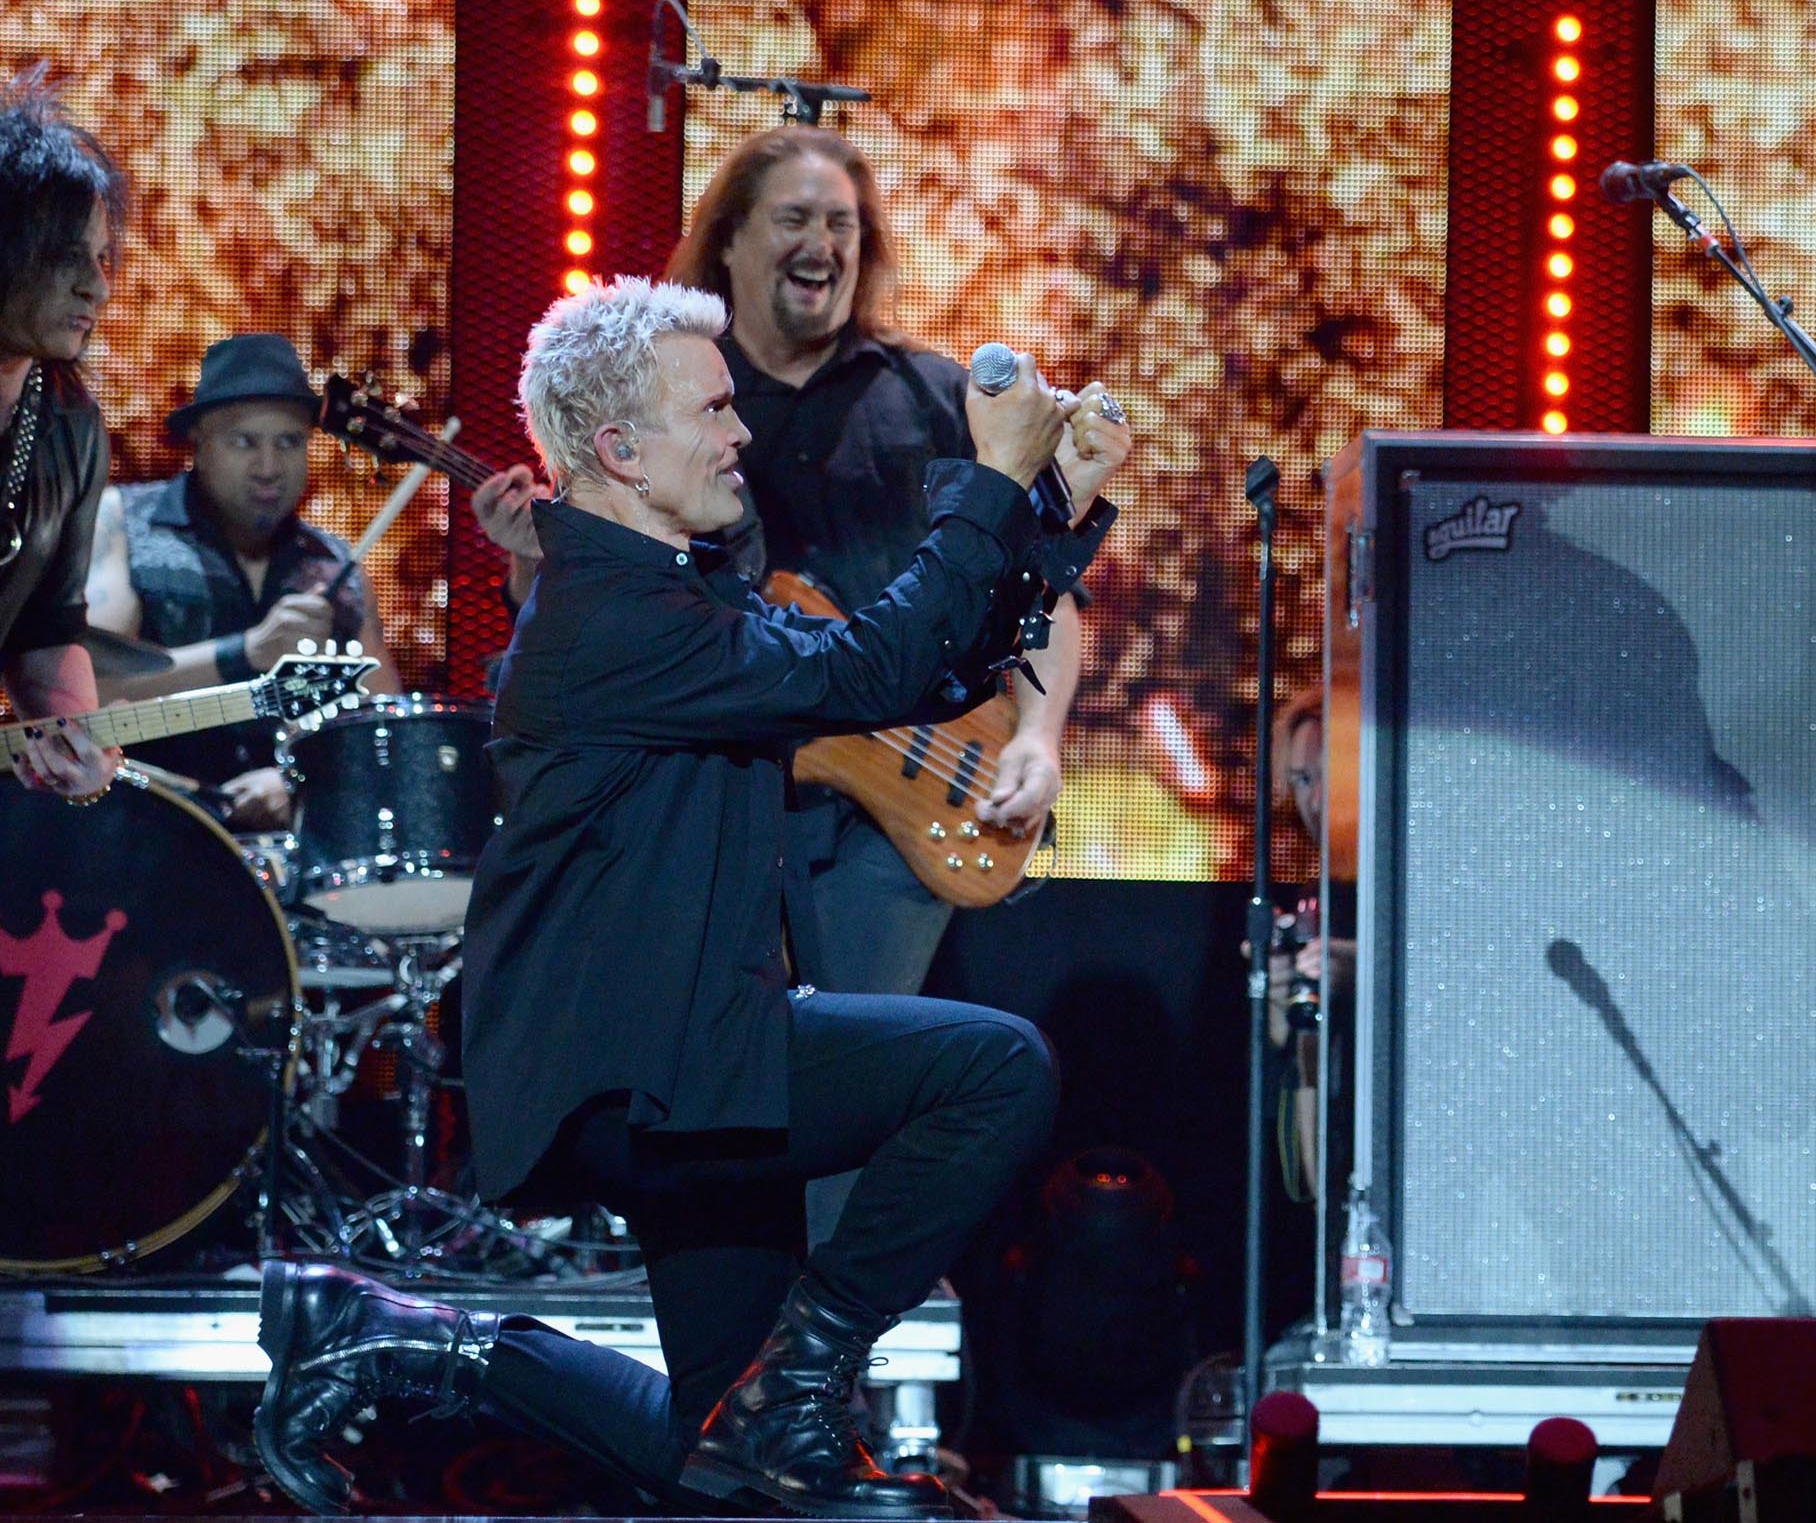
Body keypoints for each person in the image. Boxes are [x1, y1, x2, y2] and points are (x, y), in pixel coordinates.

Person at [254, 277, 1123, 1518]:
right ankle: (808, 1376)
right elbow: (874, 664)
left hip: (690, 1064)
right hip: (651, 1064)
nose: (742, 434)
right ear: (619, 451)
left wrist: (1049, 503)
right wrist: (990, 483)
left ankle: (397, 1337)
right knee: (996, 1072)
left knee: (729, 1462)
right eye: (712, 412)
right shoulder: (612, 613)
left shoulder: (666, 590)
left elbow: (921, 671)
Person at [471, 131, 1111, 1138]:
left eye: (842, 223)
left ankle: (814, 1287)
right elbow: (633, 636)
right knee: (747, 1110)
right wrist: (533, 569)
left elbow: (1002, 612)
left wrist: (1038, 731)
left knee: (838, 1108)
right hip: (738, 801)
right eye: (796, 219)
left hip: (894, 803)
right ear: (727, 242)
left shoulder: (924, 394)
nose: (823, 243)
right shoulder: (667, 391)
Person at [81, 332, 404, 828]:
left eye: (289, 442)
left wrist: (302, 778)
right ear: (201, 443)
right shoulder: (123, 524)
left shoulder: (336, 564)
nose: (269, 467)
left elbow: (385, 731)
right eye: (244, 441)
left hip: (290, 866)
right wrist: (247, 651)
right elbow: (90, 694)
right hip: (140, 836)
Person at [0, 71, 124, 803]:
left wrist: (77, 745)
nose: (97, 288)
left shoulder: (70, 425)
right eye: (66, 256)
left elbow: (45, 631)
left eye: (102, 257)